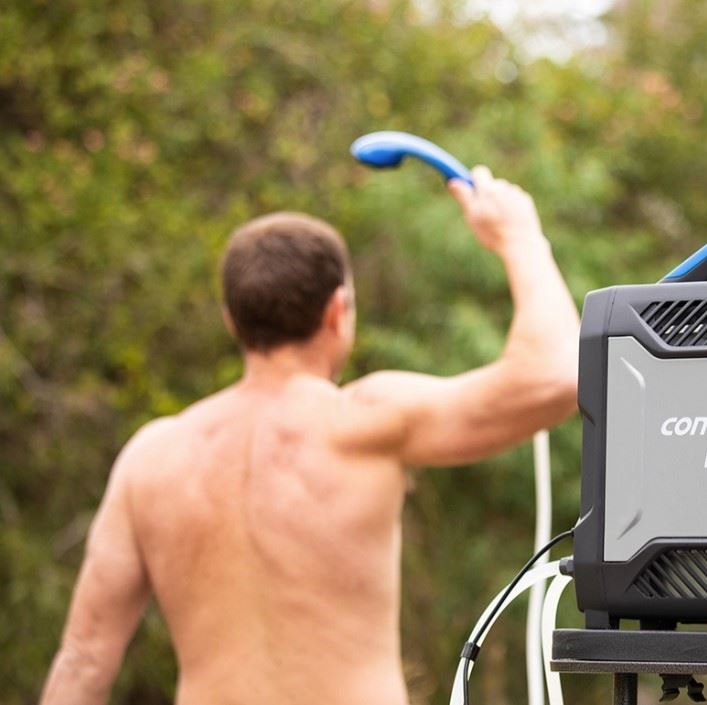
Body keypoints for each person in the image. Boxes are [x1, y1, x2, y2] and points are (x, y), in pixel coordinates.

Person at [39, 167, 581, 705]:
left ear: (231, 320)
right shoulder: (364, 423)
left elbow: (83, 662)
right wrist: (519, 237)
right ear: (336, 312)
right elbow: (557, 376)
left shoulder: (151, 457)